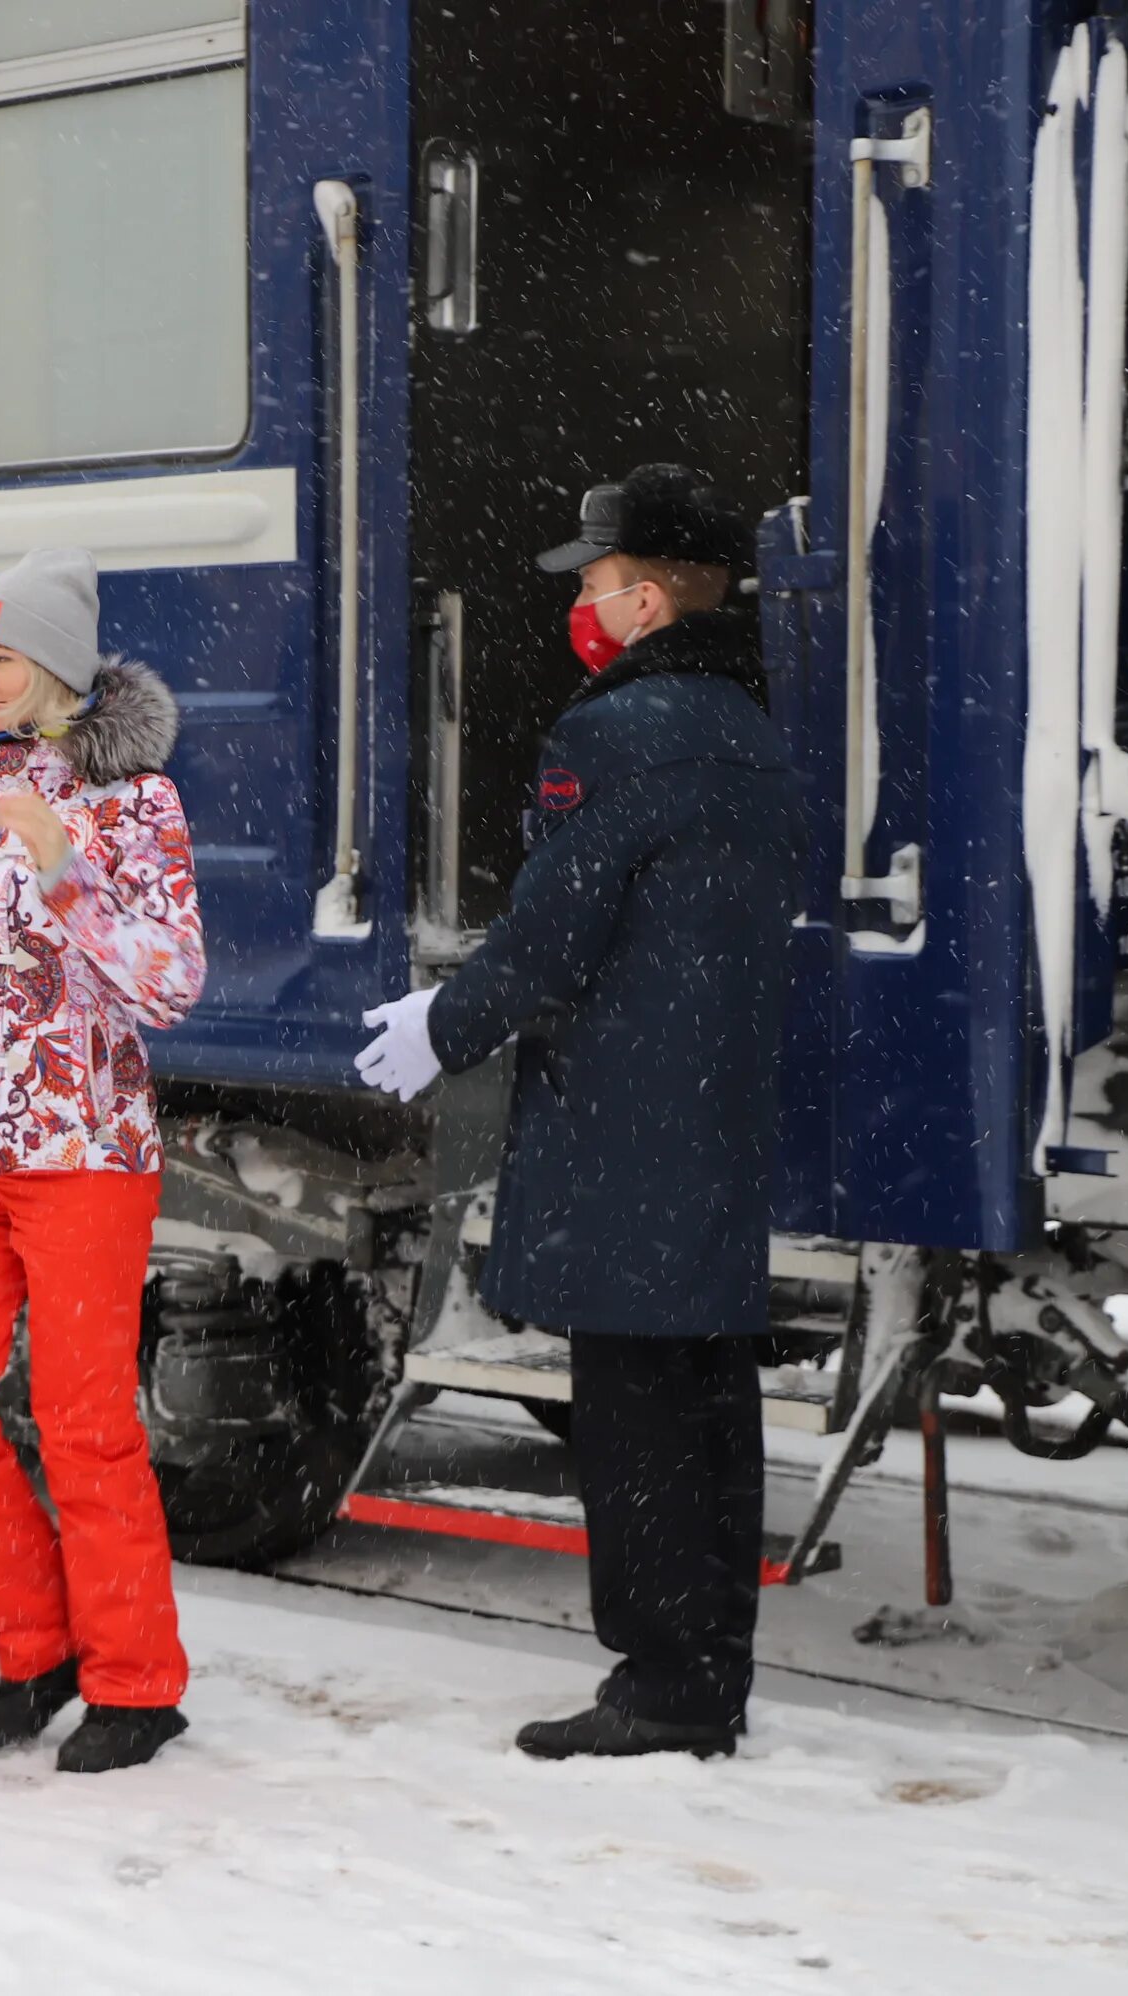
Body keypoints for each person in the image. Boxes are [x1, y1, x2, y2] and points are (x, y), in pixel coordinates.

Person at [356, 465, 798, 1760]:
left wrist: (441, 1027)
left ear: (650, 599)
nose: (585, 609)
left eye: (599, 586)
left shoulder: (613, 735)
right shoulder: (756, 730)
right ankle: (710, 1668)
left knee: (634, 1411)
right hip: (713, 1111)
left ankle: (660, 1688)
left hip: (620, 1119)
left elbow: (553, 932)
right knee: (709, 1398)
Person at [0, 547, 208, 1775]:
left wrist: (63, 871)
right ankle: (37, 1643)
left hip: (83, 1151)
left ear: (57, 667)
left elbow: (170, 986)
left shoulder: (135, 804)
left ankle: (137, 1680)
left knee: (83, 1423)